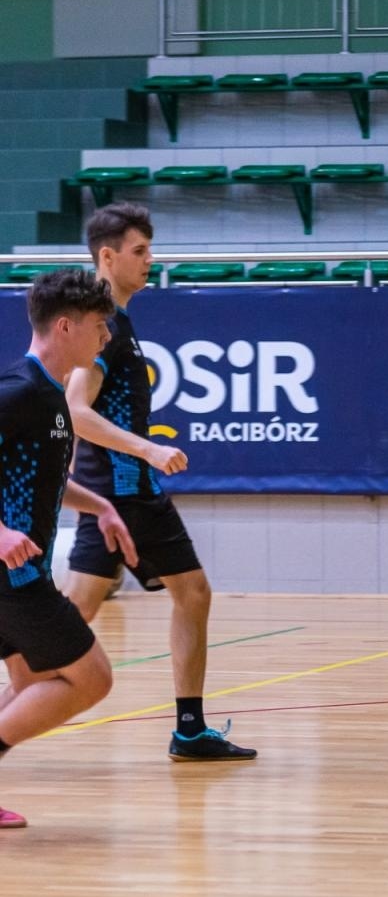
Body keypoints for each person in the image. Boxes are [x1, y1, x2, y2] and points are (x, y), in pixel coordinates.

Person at [61, 203, 255, 761]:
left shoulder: (115, 320)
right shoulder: (107, 327)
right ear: (107, 256)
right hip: (127, 488)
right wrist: (148, 448)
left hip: (112, 489)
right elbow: (76, 409)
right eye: (140, 251)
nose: (151, 260)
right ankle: (189, 730)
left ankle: (189, 730)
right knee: (192, 593)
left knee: (74, 614)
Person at [0, 268, 141, 827]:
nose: (107, 337)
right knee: (93, 679)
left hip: (15, 574)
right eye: (99, 327)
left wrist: (100, 506)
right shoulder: (20, 392)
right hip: (14, 574)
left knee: (32, 687)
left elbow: (39, 480)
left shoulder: (53, 395)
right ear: (64, 326)